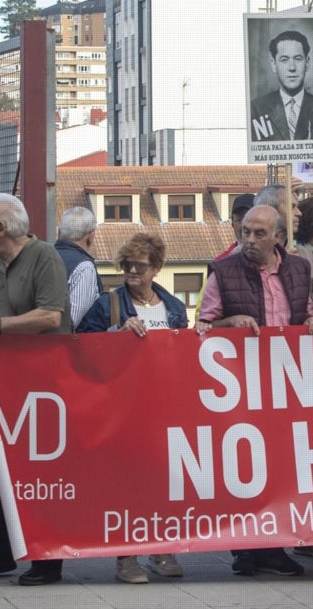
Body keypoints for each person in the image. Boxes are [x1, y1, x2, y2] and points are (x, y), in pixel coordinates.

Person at [196, 204, 313, 577]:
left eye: (258, 233)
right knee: (246, 467)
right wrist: (231, 322)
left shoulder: (299, 268)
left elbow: (305, 311)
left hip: (286, 383)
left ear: (278, 237)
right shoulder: (223, 271)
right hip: (240, 384)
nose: (249, 240)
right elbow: (203, 327)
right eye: (245, 231)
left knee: (281, 466)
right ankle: (245, 549)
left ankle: (274, 546)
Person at [0, 193, 71, 587]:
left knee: (39, 472)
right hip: (1, 386)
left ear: (0, 228)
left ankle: (47, 557)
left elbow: (50, 315)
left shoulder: (45, 257)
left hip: (42, 386)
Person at [77, 232, 186, 583]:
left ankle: (162, 549)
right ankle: (126, 557)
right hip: (122, 409)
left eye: (139, 266)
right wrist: (116, 332)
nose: (131, 272)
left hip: (162, 407)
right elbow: (83, 349)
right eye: (126, 266)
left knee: (163, 482)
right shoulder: (107, 304)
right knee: (127, 485)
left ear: (156, 268)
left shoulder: (174, 308)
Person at [249, 30, 313, 141]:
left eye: (298, 59)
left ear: (307, 63)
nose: (292, 68)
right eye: (284, 60)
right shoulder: (256, 109)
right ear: (274, 64)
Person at [53, 206, 103, 328]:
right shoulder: (84, 268)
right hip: (68, 344)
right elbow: (71, 322)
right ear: (91, 237)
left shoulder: (43, 258)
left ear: (59, 232)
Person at [212, 193, 256, 262]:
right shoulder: (221, 262)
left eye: (248, 219)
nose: (243, 225)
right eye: (239, 220)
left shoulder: (273, 258)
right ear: (232, 225)